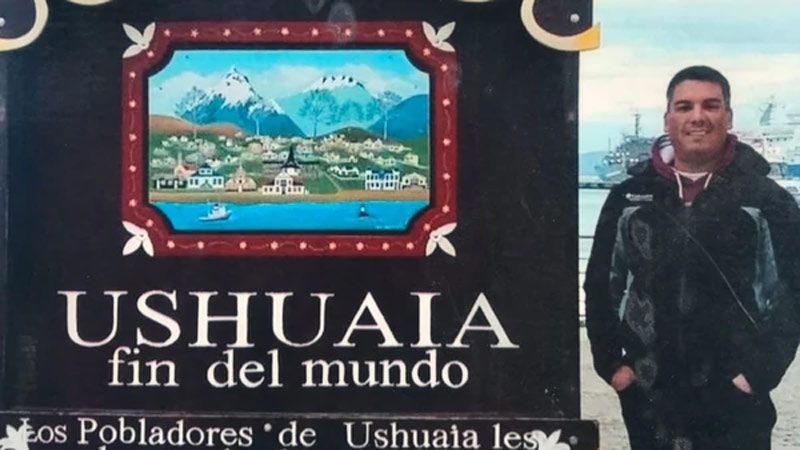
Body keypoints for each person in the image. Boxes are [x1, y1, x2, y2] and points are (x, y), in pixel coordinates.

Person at [584, 65, 800, 450]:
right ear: (667, 118)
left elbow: (793, 292)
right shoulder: (629, 198)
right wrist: (612, 366)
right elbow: (601, 285)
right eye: (684, 106)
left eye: (710, 105)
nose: (697, 116)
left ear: (728, 116)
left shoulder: (767, 200)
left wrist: (758, 374)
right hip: (649, 393)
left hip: (736, 398)